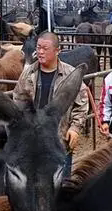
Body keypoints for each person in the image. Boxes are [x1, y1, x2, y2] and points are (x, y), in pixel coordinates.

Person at [13, 31, 88, 177]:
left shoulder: (70, 75)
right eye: (38, 47)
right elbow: (18, 99)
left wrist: (75, 128)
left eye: (45, 48)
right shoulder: (28, 74)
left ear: (57, 51)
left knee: (60, 185)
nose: (40, 52)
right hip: (32, 141)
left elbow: (81, 105)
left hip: (59, 141)